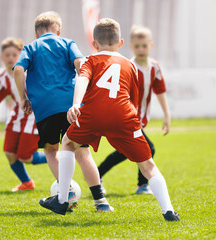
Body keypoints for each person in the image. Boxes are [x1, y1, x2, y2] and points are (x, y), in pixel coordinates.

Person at [39, 18, 179, 221]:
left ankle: (61, 200)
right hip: (123, 115)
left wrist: (76, 104)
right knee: (148, 165)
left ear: (94, 44)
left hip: (93, 113)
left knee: (68, 143)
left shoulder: (90, 60)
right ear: (121, 43)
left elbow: (82, 78)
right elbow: (133, 100)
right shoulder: (130, 65)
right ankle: (168, 211)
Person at [14, 11, 112, 212]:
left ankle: (64, 194)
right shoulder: (67, 43)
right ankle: (101, 201)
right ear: (58, 30)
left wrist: (24, 98)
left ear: (36, 33)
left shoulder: (30, 48)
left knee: (51, 149)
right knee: (82, 151)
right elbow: (80, 64)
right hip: (71, 105)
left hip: (45, 108)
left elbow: (17, 70)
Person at [97, 25, 171, 195]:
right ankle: (142, 185)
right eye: (137, 46)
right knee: (148, 149)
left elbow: (159, 91)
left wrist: (167, 115)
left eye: (144, 46)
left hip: (141, 118)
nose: (141, 49)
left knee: (125, 151)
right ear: (131, 46)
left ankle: (97, 173)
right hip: (128, 117)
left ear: (150, 45)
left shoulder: (155, 67)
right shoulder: (128, 66)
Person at [0, 37, 47, 192]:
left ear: (21, 55)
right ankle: (27, 183)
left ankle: (57, 158)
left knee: (25, 156)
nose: (10, 58)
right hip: (15, 118)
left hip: (33, 118)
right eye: (7, 55)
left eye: (14, 54)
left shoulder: (30, 73)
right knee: (10, 153)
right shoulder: (3, 78)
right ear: (2, 57)